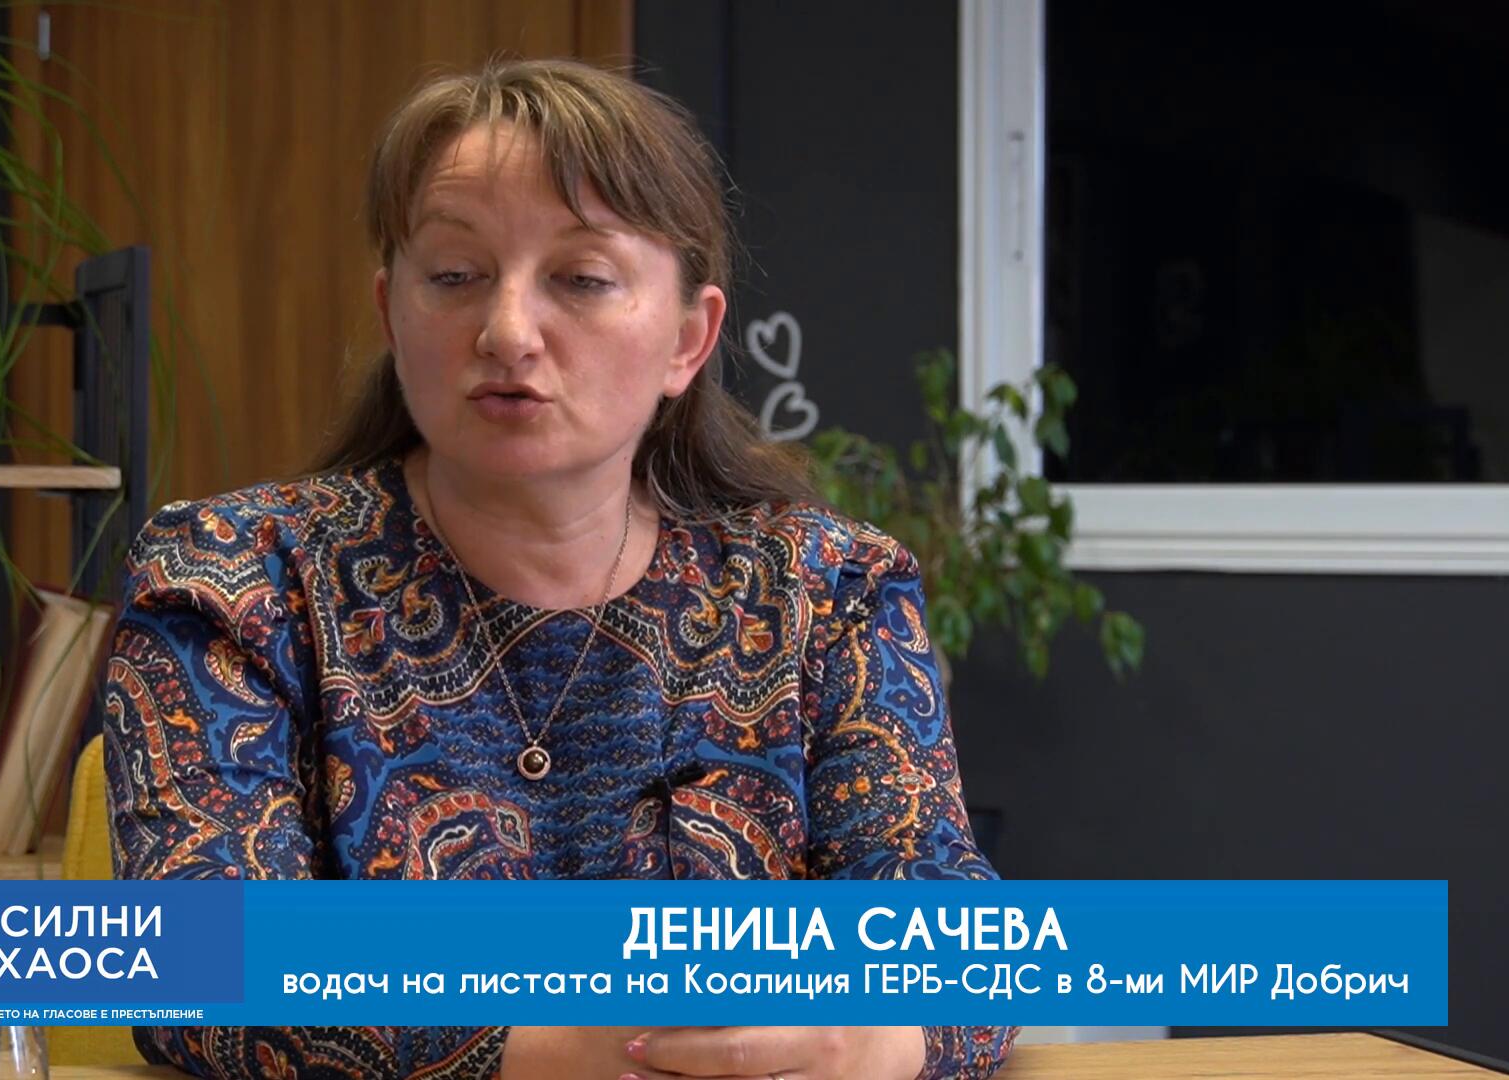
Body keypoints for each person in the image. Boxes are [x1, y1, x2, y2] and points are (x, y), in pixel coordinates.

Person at [102, 57, 1017, 1080]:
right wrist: (582, 1046)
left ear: (688, 339)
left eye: (581, 280)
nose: (506, 333)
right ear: (391, 312)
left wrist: (860, 1043)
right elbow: (191, 958)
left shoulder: (829, 588)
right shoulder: (235, 582)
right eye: (455, 276)